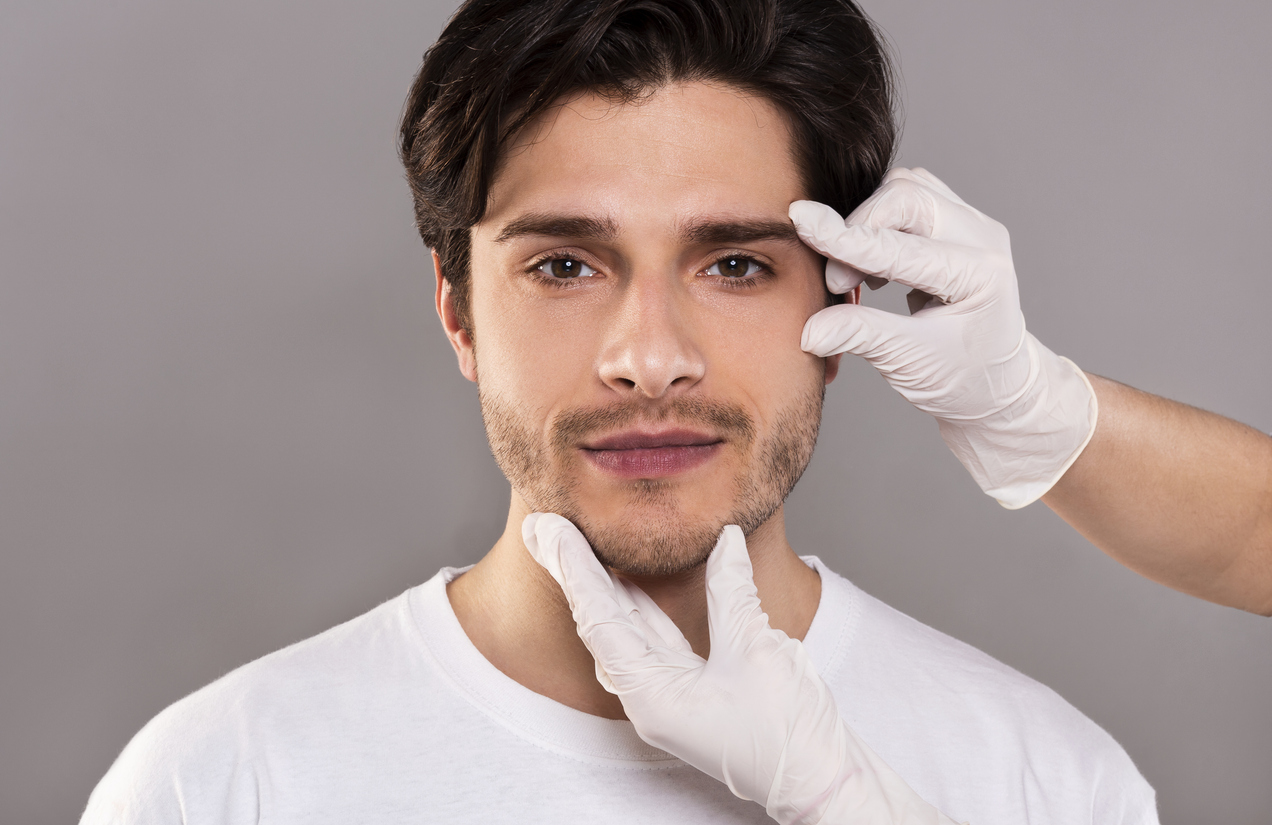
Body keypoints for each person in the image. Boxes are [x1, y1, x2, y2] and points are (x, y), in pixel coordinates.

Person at [80, 1, 1162, 823]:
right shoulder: (219, 784)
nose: (651, 359)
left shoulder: (1047, 782)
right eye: (564, 265)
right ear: (457, 310)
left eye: (735, 264)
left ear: (844, 304)